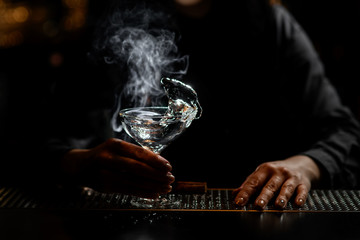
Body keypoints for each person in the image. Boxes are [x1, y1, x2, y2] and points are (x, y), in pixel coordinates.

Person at [7, 0, 358, 209]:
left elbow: (342, 130)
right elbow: (37, 142)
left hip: (253, 217)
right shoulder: (111, 30)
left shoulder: (272, 25)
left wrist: (306, 166)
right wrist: (77, 163)